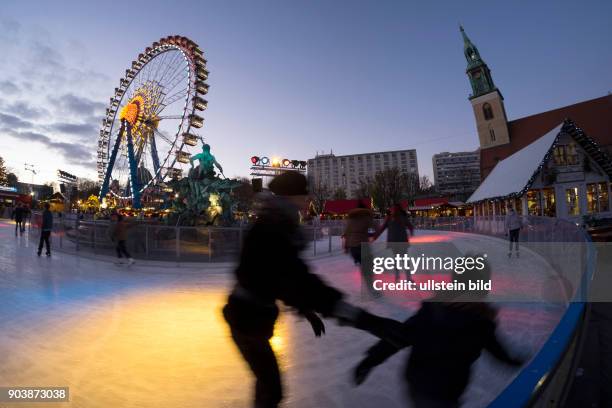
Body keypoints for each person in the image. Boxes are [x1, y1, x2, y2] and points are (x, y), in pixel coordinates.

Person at [223, 172, 407, 408]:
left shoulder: (276, 223)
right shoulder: (273, 229)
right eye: (304, 193)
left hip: (250, 318)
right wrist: (364, 320)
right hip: (247, 321)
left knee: (268, 387)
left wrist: (305, 306)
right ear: (291, 196)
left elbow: (283, 279)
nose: (308, 198)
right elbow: (297, 282)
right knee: (271, 391)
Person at [353, 257, 524, 407]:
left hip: (418, 384)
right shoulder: (480, 321)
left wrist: (370, 360)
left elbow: (400, 336)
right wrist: (514, 361)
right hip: (443, 393)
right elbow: (496, 350)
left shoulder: (434, 308)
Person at [374, 203, 414, 281]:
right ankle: (401, 277)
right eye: (393, 209)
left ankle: (402, 277)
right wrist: (375, 237)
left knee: (401, 260)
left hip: (399, 242)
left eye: (394, 209)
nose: (393, 210)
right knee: (401, 260)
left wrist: (411, 231)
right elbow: (382, 228)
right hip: (397, 242)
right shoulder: (391, 218)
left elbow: (410, 225)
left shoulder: (399, 217)